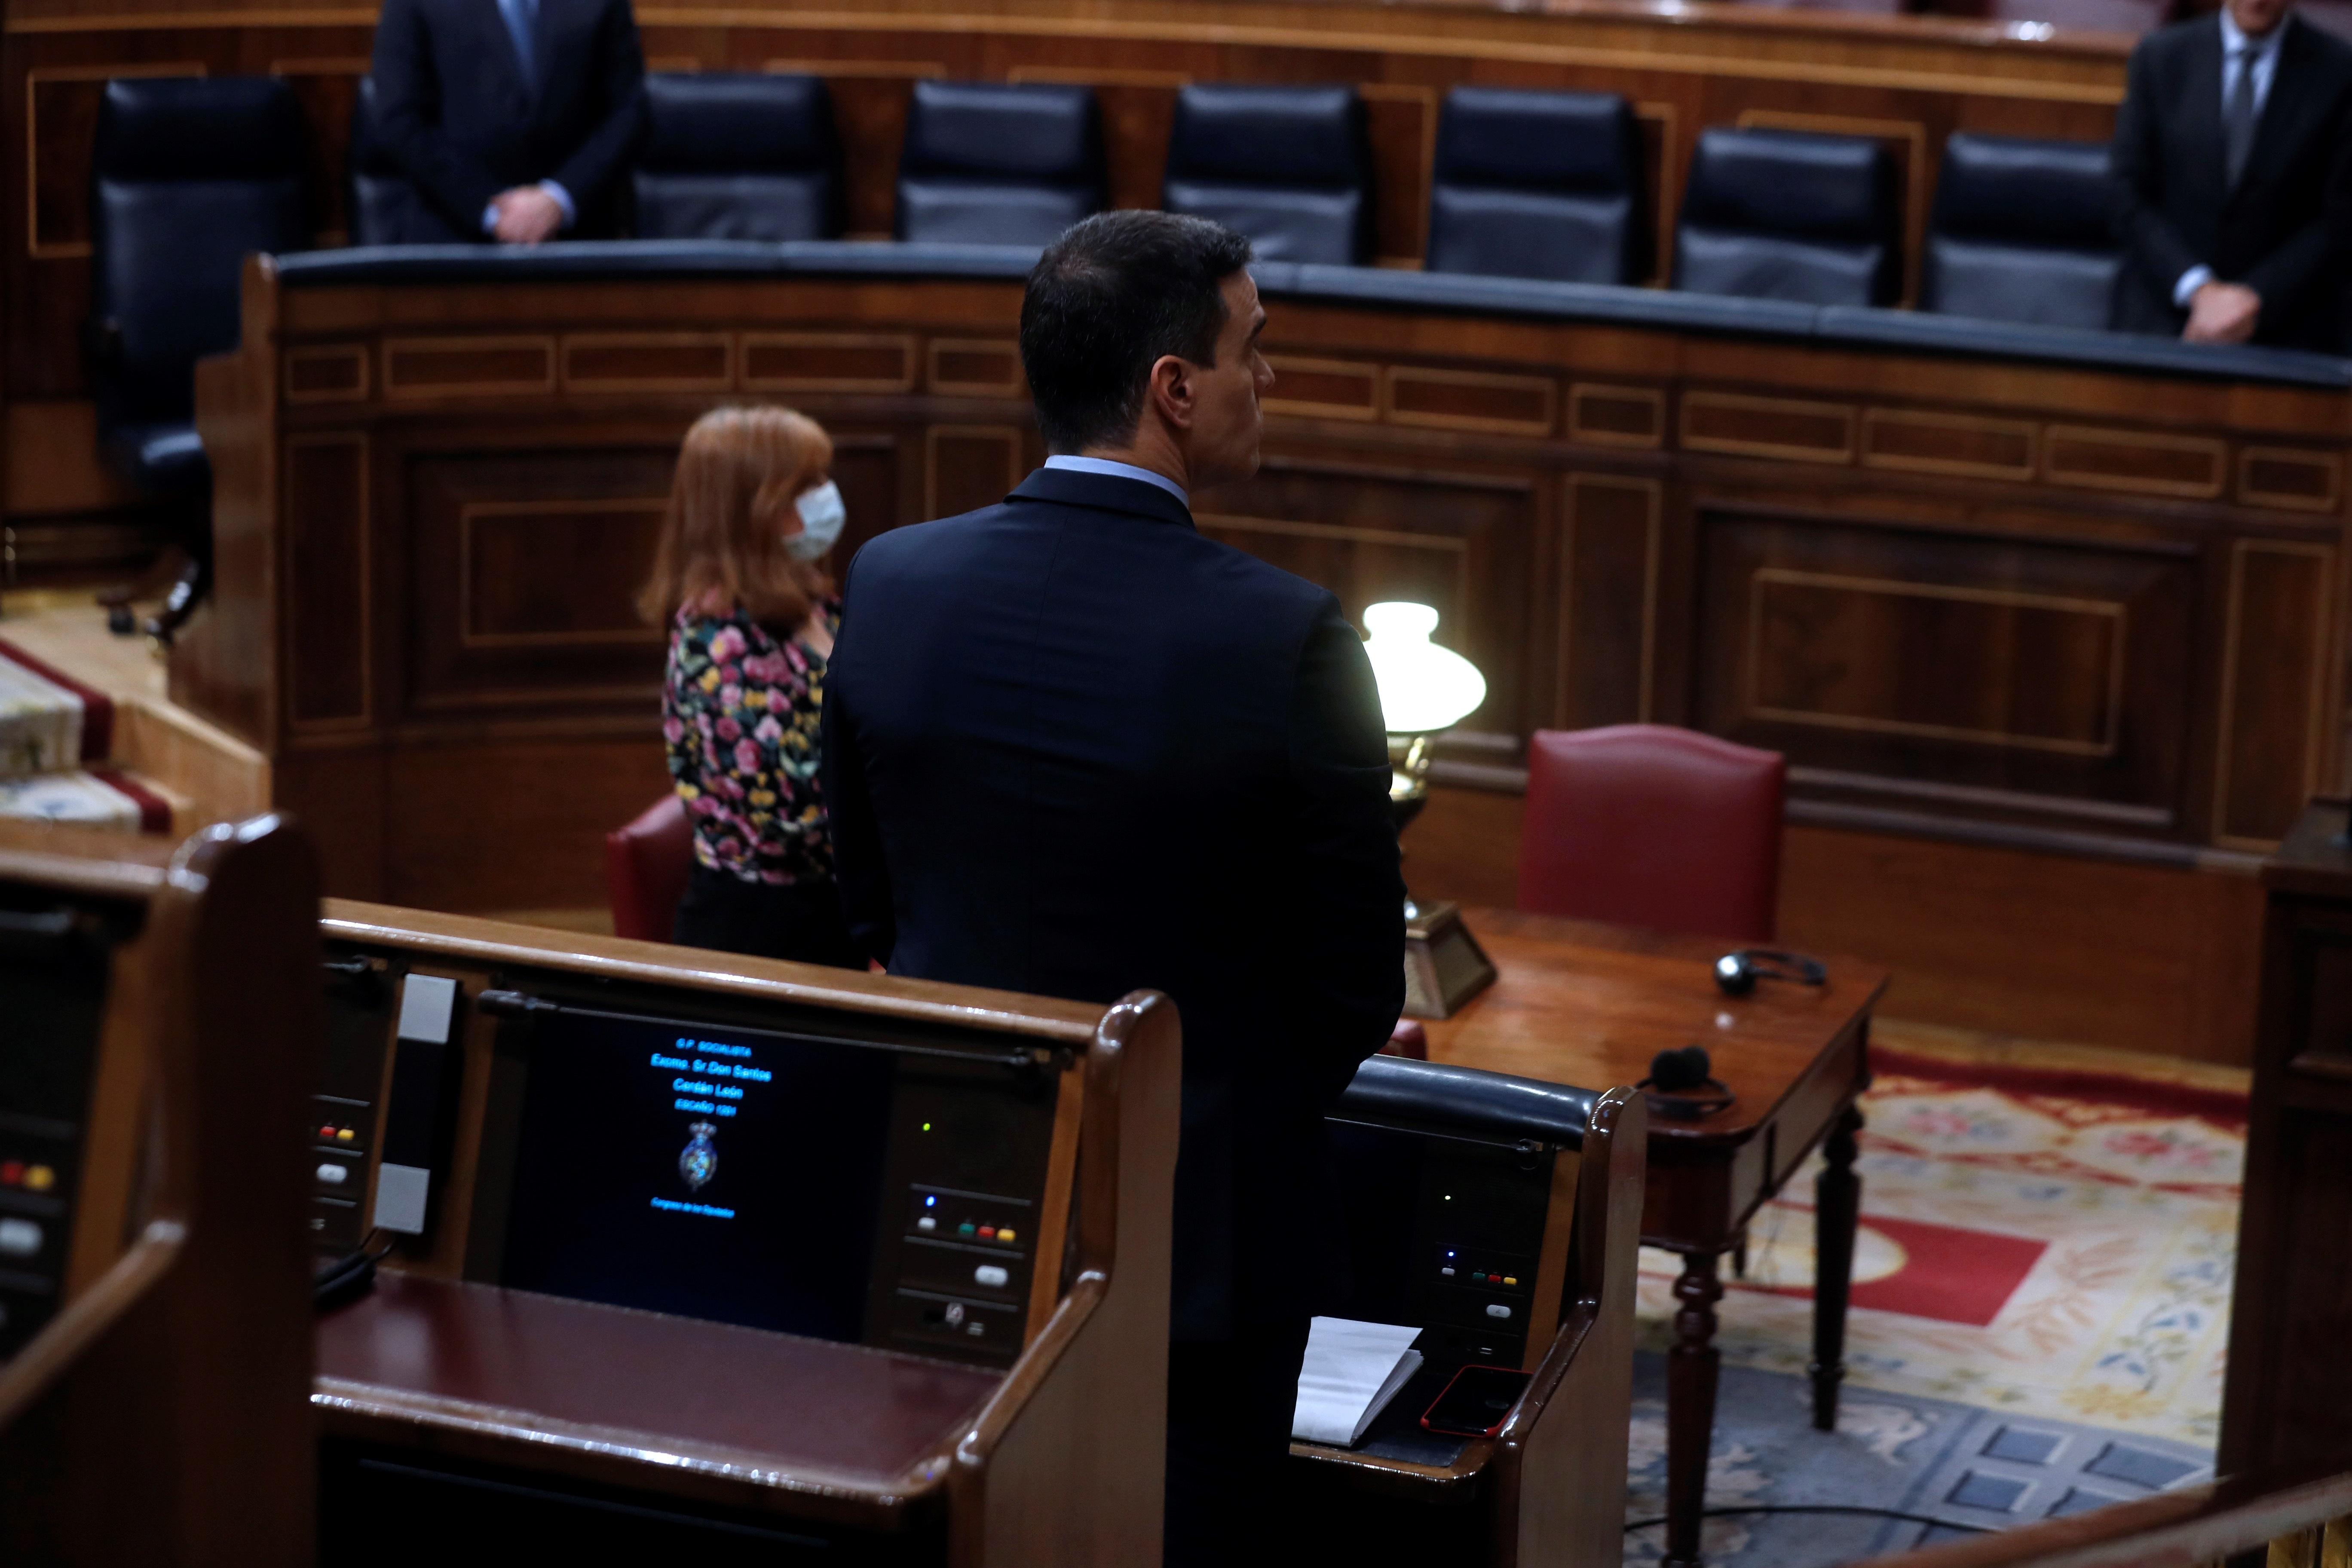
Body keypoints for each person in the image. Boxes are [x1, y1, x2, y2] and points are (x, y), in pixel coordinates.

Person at [821, 212, 1405, 1565]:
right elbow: (1354, 986)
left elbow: (864, 906)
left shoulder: (893, 585)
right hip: (1206, 1247)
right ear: (1174, 388)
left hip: (954, 1195)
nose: (1273, 381)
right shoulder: (1288, 632)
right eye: (1256, 350)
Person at [640, 405, 862, 968]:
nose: (826, 497)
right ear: (753, 508)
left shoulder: (811, 603)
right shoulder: (720, 646)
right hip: (764, 937)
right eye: (806, 485)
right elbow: (791, 819)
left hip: (828, 915)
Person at [2110, 0, 2352, 352]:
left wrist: (2252, 299)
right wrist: (2199, 290)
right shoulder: (2160, 57)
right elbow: (2126, 194)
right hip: (2164, 308)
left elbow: (2340, 216)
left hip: (2287, 324)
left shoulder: (2339, 71)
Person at [368, 0, 647, 244]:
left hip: (580, 234)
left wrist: (558, 199)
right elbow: (399, 119)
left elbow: (629, 112)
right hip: (452, 235)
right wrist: (491, 209)